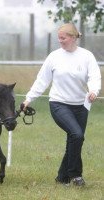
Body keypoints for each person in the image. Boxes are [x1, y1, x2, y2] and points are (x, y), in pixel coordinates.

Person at [21, 23, 101, 186]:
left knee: (74, 139)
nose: (60, 41)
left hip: (81, 106)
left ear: (72, 38)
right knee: (77, 135)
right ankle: (75, 175)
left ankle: (62, 177)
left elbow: (94, 76)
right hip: (59, 104)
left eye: (63, 38)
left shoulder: (86, 56)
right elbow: (42, 81)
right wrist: (28, 99)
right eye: (59, 38)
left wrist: (94, 91)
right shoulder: (54, 57)